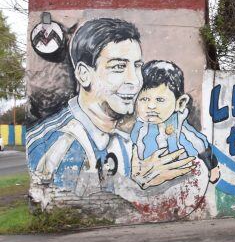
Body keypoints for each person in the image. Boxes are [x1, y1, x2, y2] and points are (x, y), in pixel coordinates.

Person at [26, 18, 195, 193]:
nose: (135, 80)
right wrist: (137, 183)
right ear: (84, 75)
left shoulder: (121, 137)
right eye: (118, 67)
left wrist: (136, 180)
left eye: (137, 66)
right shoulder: (60, 143)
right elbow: (71, 211)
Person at [131, 60, 220, 184]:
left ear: (180, 103)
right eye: (144, 99)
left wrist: (213, 167)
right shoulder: (139, 128)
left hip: (185, 179)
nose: (151, 106)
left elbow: (201, 144)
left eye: (160, 99)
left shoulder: (180, 126)